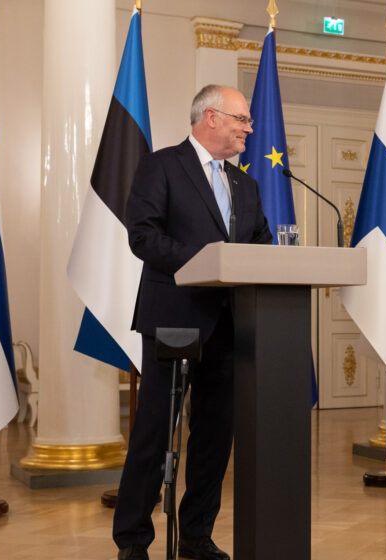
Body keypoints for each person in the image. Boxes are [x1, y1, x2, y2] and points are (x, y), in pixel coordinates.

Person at [114, 84, 272, 560]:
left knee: (214, 436)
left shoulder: (246, 184)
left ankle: (197, 535)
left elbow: (260, 245)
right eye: (241, 119)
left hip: (230, 327)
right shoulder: (161, 165)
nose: (249, 128)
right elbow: (142, 236)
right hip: (174, 321)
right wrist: (208, 263)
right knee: (155, 432)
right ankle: (133, 541)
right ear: (211, 118)